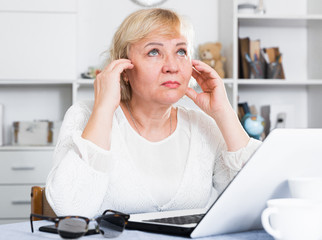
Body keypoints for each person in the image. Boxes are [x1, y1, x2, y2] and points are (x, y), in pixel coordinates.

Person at [46, 8, 261, 218]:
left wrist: (224, 113)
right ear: (125, 70)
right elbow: (71, 210)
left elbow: (257, 199)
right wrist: (103, 109)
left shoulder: (204, 125)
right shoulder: (85, 115)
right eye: (154, 52)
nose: (172, 66)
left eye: (181, 51)